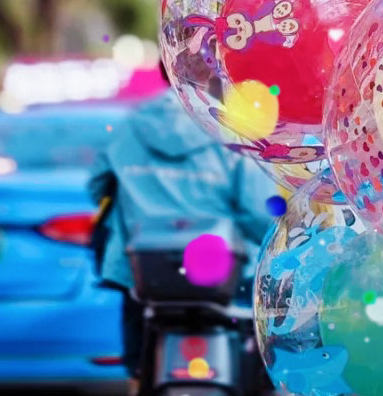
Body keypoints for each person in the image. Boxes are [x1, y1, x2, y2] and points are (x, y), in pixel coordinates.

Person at [89, 64, 275, 395]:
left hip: (145, 279)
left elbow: (97, 187)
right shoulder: (231, 128)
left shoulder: (130, 126)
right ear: (219, 75)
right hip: (224, 281)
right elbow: (257, 212)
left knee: (138, 369)